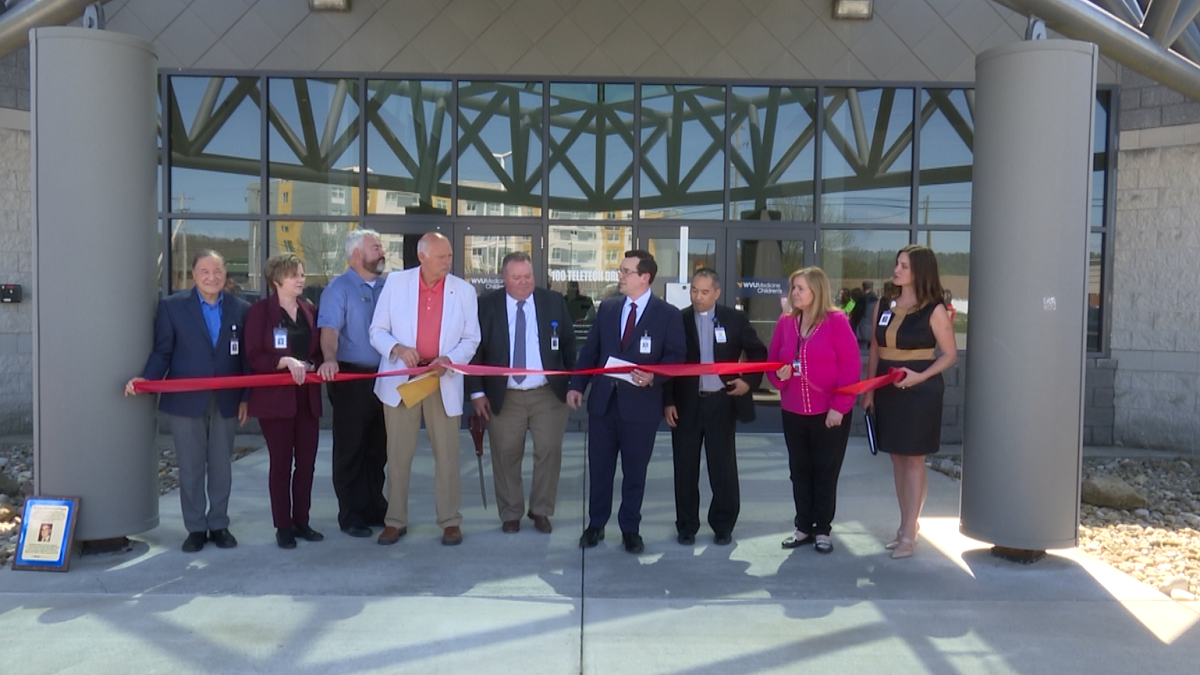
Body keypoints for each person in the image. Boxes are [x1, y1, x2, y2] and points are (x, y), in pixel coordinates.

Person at [125, 250, 250, 553]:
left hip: (227, 400)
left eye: (217, 271)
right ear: (193, 275)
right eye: (205, 271)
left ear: (225, 274)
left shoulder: (242, 308)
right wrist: (146, 381)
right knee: (191, 467)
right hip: (185, 401)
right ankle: (195, 528)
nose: (211, 277)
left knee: (222, 465)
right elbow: (163, 351)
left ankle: (219, 524)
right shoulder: (172, 307)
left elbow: (247, 358)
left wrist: (246, 397)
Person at [567, 250, 686, 554]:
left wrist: (654, 377)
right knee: (600, 469)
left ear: (644, 277)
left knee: (635, 472)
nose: (620, 276)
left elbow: (676, 358)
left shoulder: (668, 314)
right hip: (603, 405)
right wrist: (578, 384)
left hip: (641, 407)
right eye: (620, 270)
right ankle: (596, 525)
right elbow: (590, 351)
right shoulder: (607, 308)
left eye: (625, 271)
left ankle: (630, 528)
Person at [370, 232, 480, 547]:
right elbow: (376, 331)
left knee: (447, 456)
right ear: (422, 257)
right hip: (402, 381)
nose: (447, 262)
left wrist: (451, 358)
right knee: (398, 454)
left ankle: (450, 521)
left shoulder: (464, 291)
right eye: (441, 257)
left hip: (441, 379)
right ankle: (395, 521)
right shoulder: (396, 283)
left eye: (449, 256)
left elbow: (471, 339)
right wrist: (397, 348)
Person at [466, 252, 576, 534]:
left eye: (528, 276)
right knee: (505, 455)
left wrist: (574, 384)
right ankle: (511, 512)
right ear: (504, 279)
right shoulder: (486, 306)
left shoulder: (553, 301)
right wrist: (477, 392)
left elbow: (568, 345)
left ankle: (541, 510)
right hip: (505, 395)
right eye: (516, 278)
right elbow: (474, 351)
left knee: (549, 453)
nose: (523, 282)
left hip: (548, 394)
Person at [862, 245, 957, 559]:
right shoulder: (884, 305)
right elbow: (876, 348)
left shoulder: (934, 309)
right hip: (888, 386)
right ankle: (907, 525)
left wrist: (919, 376)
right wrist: (870, 390)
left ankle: (907, 530)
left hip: (920, 391)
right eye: (897, 264)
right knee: (897, 459)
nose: (897, 269)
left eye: (904, 265)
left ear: (919, 271)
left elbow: (949, 355)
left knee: (914, 459)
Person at [663, 268, 766, 546]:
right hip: (687, 404)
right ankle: (686, 525)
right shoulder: (678, 320)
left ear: (717, 293)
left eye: (704, 292)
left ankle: (723, 525)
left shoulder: (735, 319)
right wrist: (668, 401)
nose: (698, 297)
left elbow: (758, 353)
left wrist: (748, 381)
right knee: (685, 468)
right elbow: (669, 363)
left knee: (722, 468)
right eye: (694, 290)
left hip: (722, 402)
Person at [767, 267, 860, 554]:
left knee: (825, 470)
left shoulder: (836, 321)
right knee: (799, 470)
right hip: (793, 411)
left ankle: (823, 529)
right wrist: (779, 378)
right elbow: (772, 362)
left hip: (828, 413)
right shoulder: (786, 322)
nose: (794, 293)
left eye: (800, 288)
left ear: (816, 292)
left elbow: (850, 367)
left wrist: (840, 407)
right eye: (793, 287)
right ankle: (803, 526)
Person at [245, 253, 325, 550]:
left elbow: (316, 352)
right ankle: (283, 526)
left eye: (302, 275)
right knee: (281, 464)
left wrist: (316, 363)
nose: (301, 280)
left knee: (306, 464)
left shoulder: (310, 310)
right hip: (276, 402)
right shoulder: (260, 312)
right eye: (295, 275)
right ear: (277, 279)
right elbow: (253, 356)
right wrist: (285, 361)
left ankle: (302, 520)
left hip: (307, 399)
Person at [317, 229, 390, 538]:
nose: (382, 251)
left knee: (379, 448)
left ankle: (374, 506)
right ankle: (351, 513)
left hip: (386, 377)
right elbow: (329, 331)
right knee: (351, 448)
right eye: (376, 247)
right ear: (357, 254)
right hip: (351, 378)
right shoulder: (339, 289)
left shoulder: (389, 287)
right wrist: (329, 358)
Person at [854, 280, 879, 347]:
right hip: (874, 331)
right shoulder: (877, 300)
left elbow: (856, 315)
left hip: (863, 331)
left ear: (863, 287)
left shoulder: (862, 300)